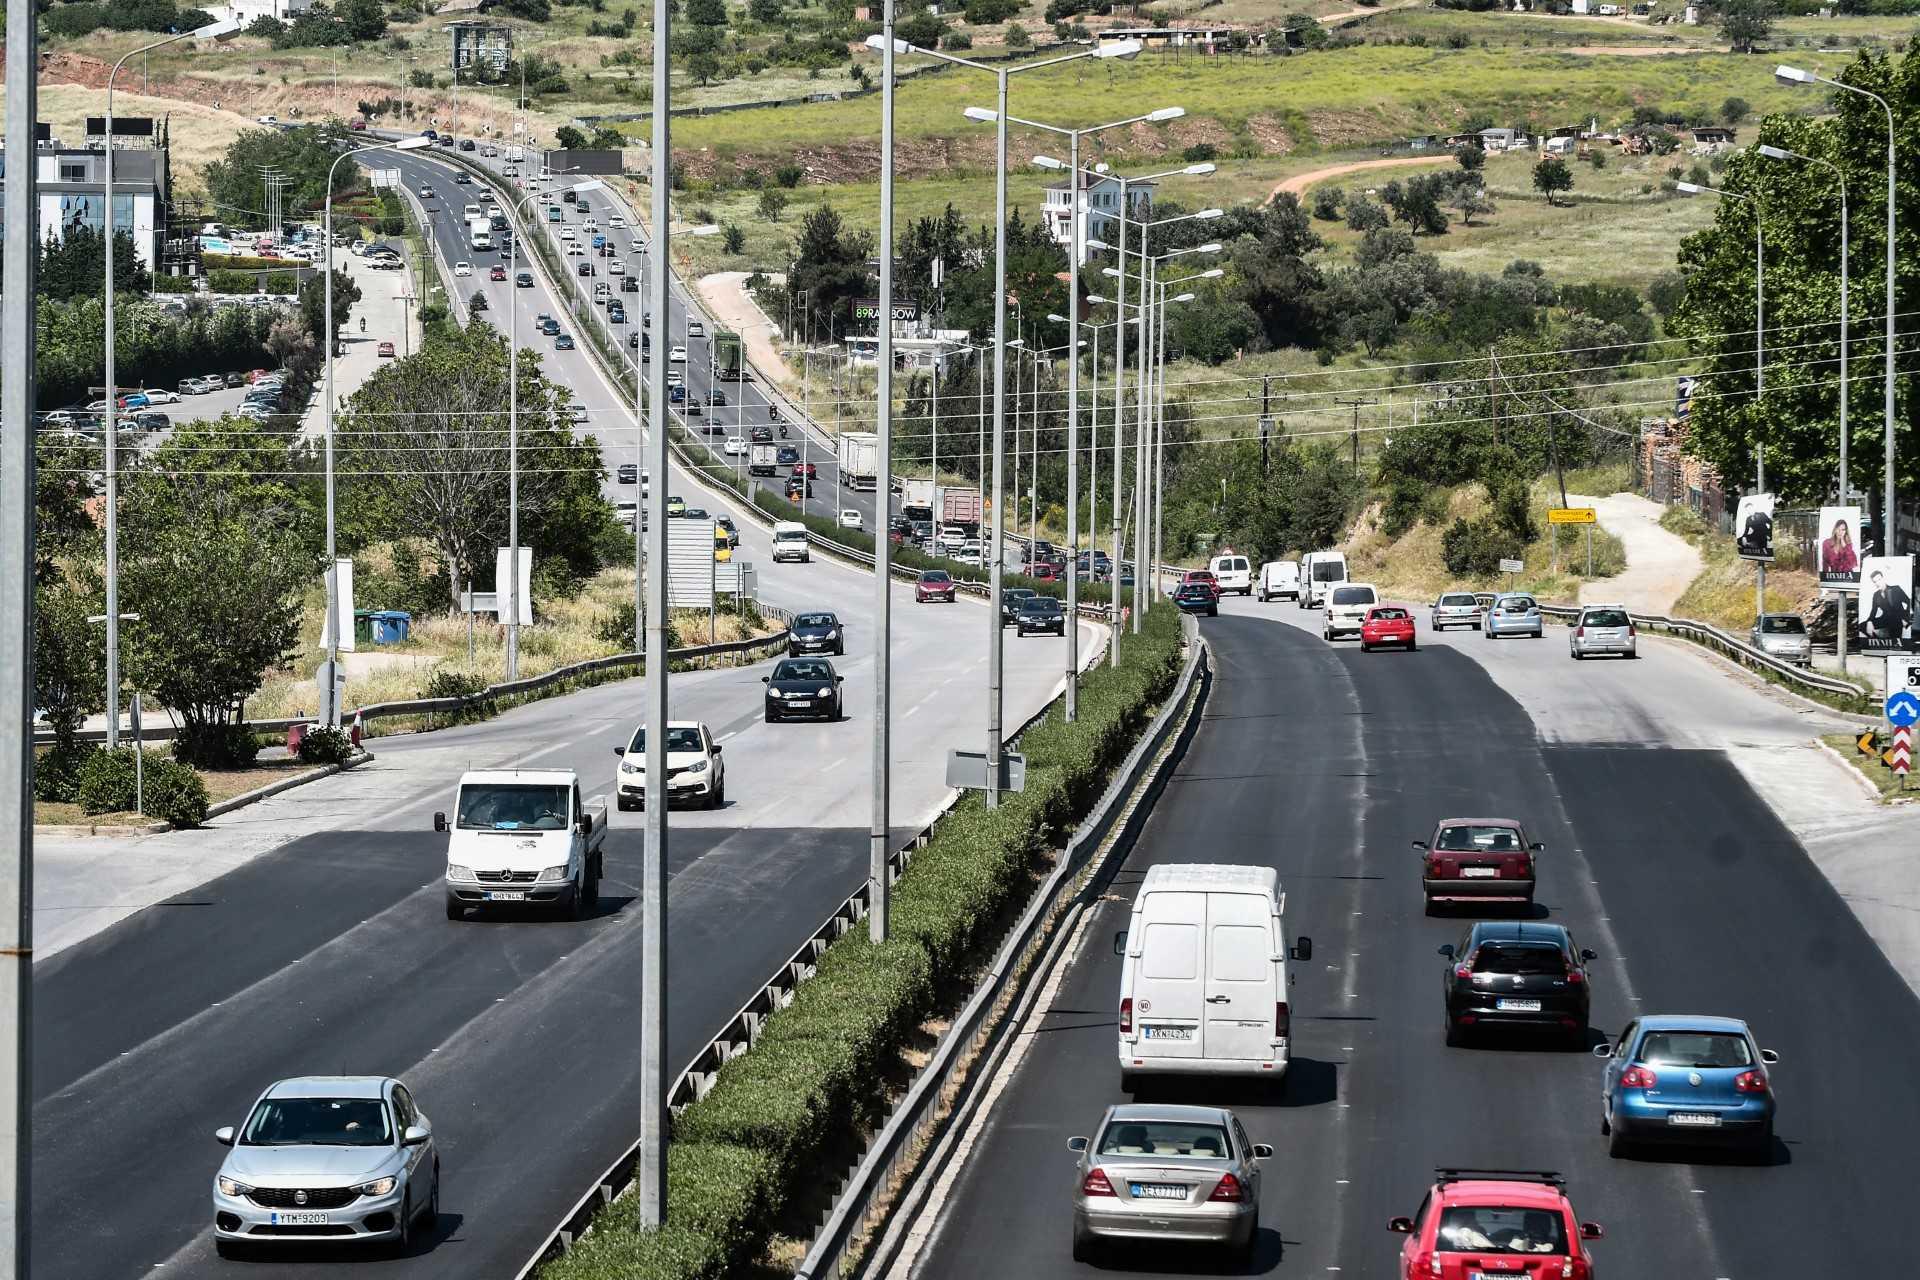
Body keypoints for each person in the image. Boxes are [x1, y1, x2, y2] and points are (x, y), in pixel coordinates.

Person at [1864, 568, 1913, 640]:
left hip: (1897, 620)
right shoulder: (1876, 595)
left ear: (1883, 578)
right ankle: (1879, 641)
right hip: (1885, 619)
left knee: (1895, 642)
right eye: (1875, 581)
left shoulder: (1896, 589)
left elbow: (1909, 602)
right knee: (1862, 626)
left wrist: (1905, 618)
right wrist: (1869, 622)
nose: (1877, 583)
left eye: (1879, 579)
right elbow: (1873, 611)